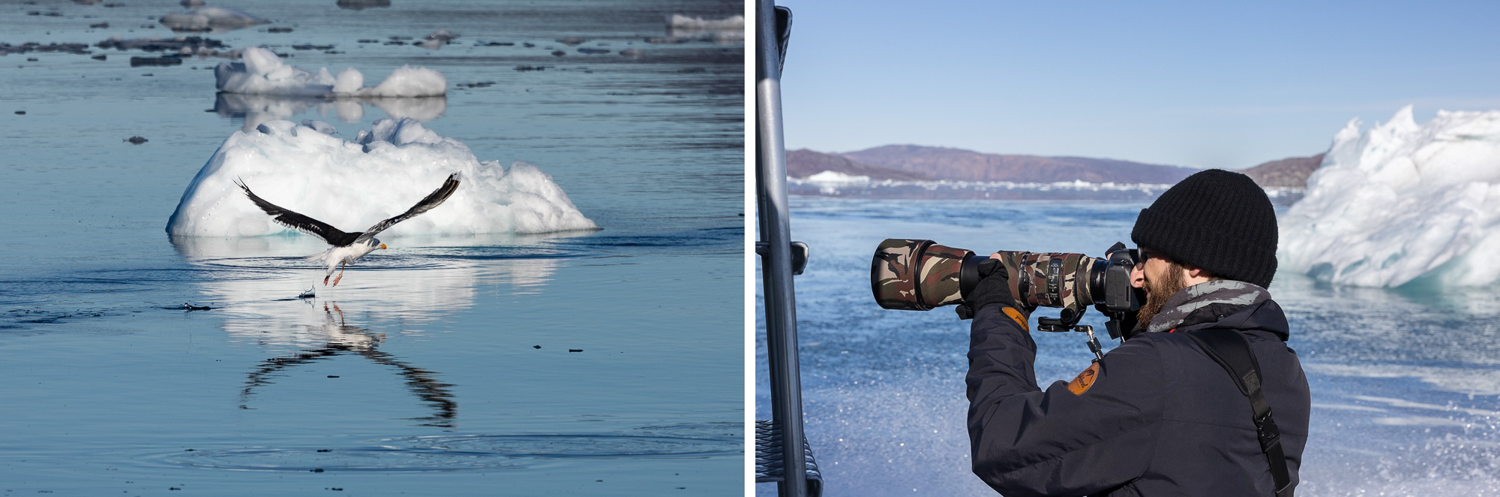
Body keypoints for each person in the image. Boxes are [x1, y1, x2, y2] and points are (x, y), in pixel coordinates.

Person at [957, 169, 1311, 496]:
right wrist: (1148, 324)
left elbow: (1003, 446)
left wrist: (999, 316)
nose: (1137, 276)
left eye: (1147, 257)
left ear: (1196, 266)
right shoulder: (1283, 368)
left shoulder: (1157, 368)